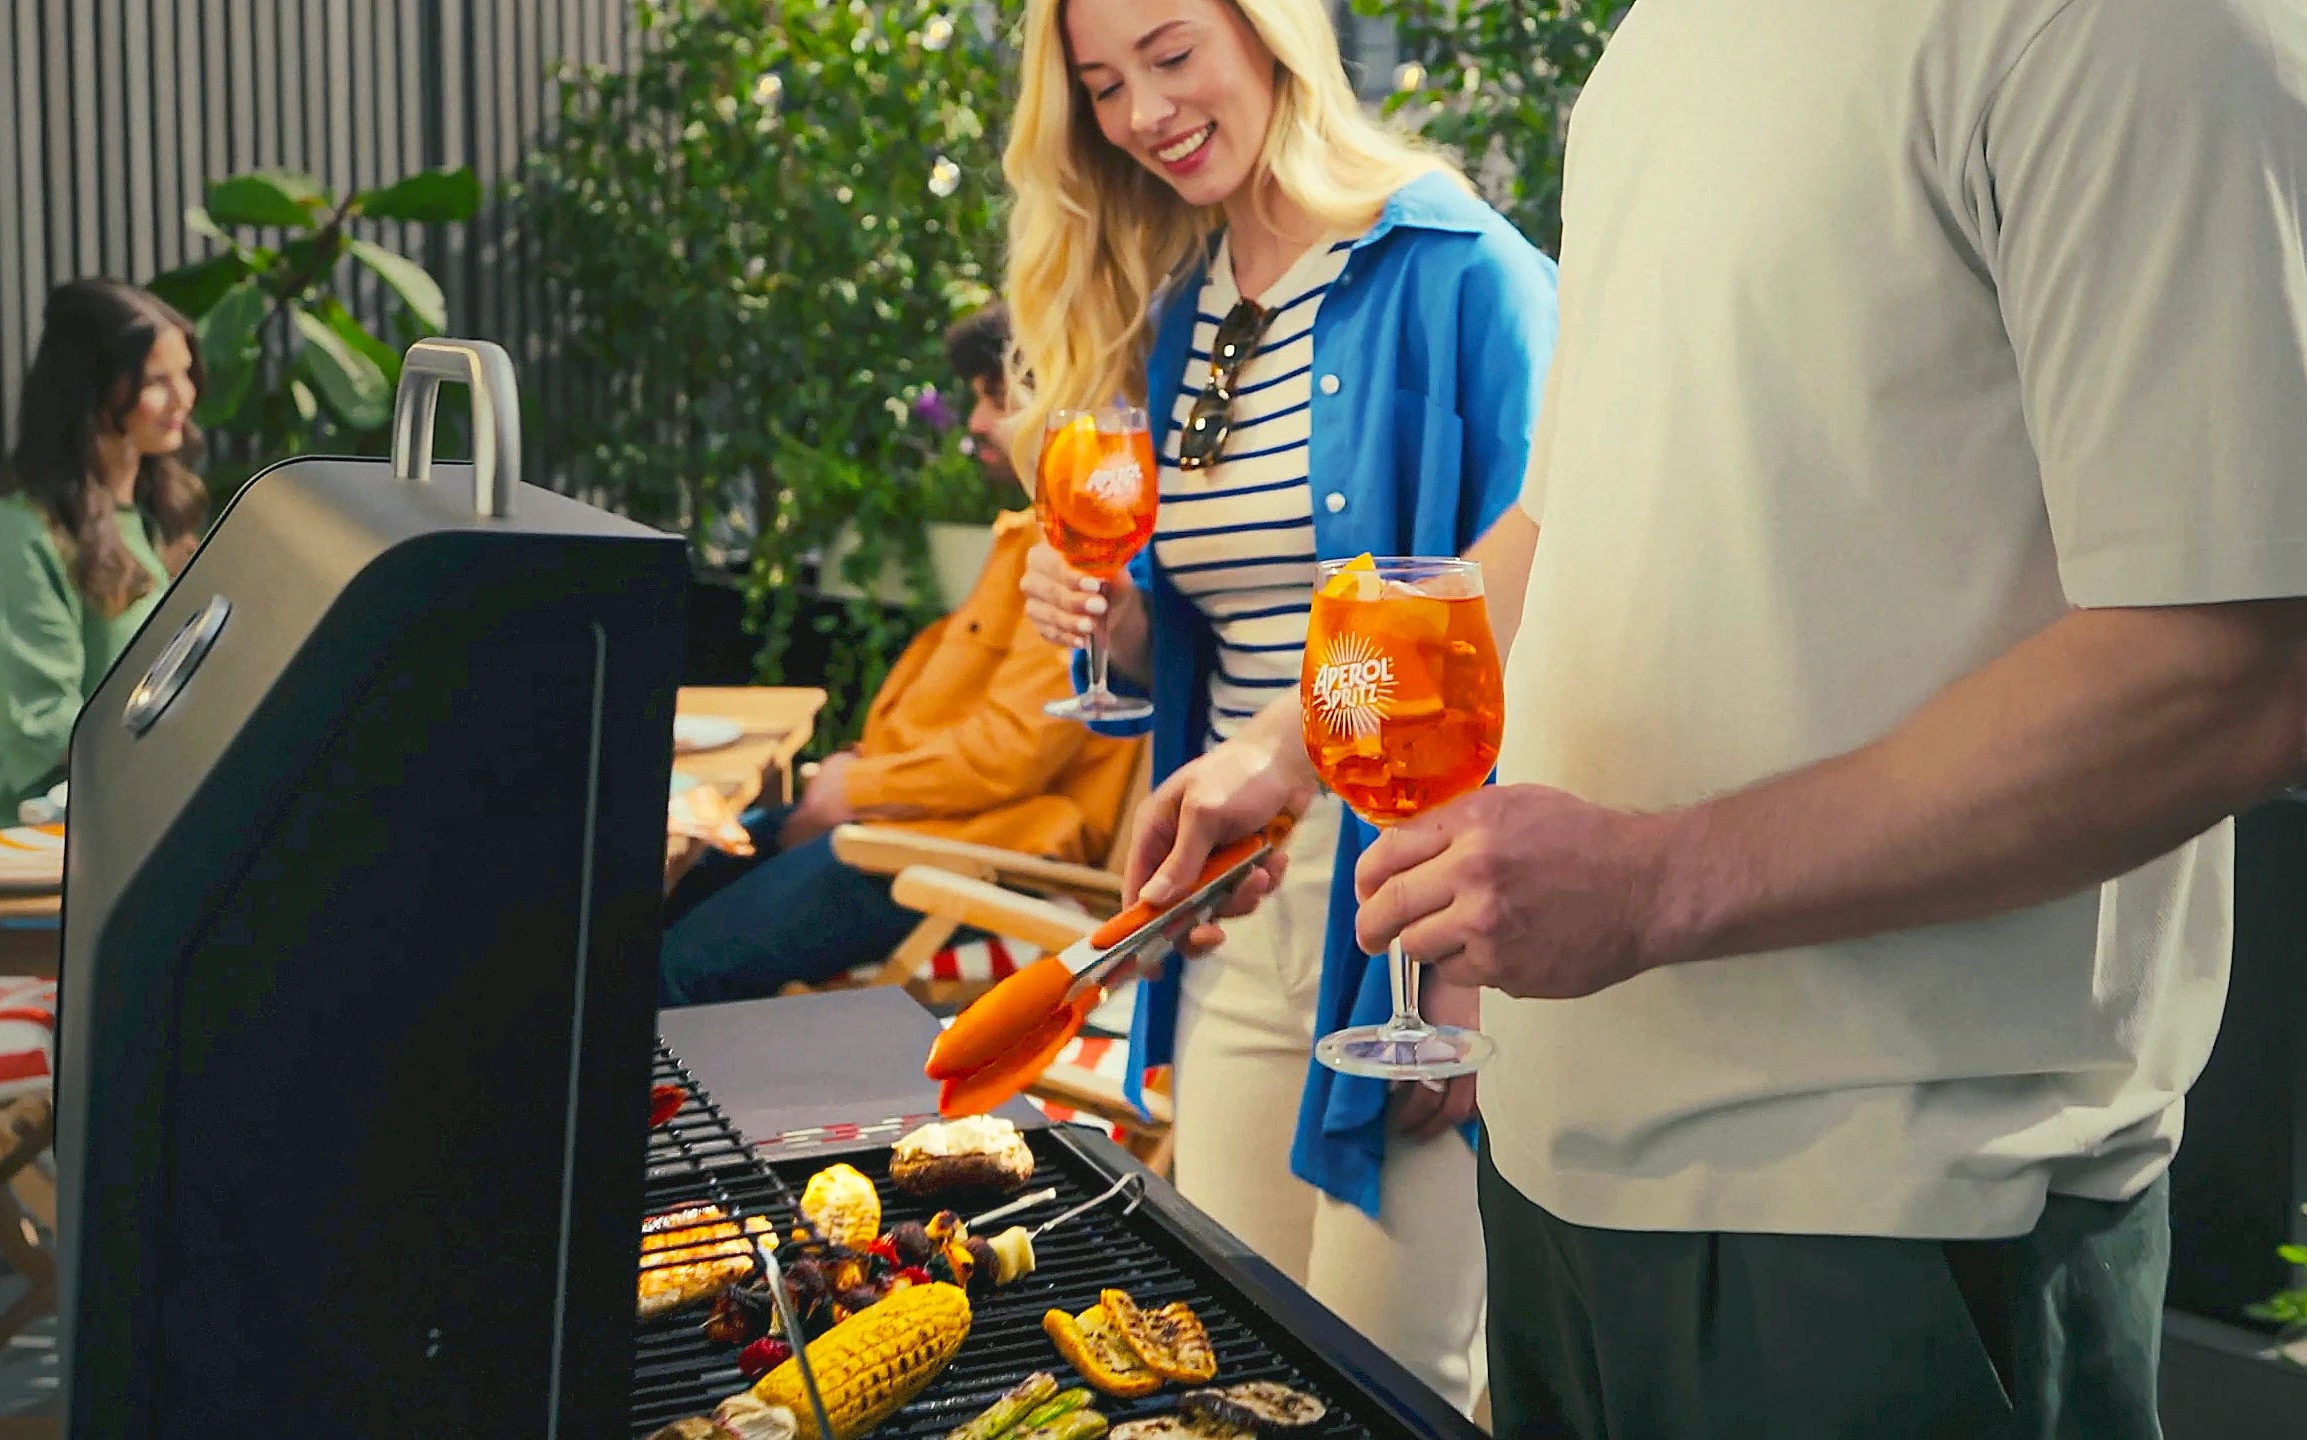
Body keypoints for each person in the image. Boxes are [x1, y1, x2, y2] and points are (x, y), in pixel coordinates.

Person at [1129, 0, 2307, 1434]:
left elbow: (2234, 669)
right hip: (1560, 1184)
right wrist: (1289, 750)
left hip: (1893, 1224)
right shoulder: (1657, 47)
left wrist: (1660, 885)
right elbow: (1563, 525)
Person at [1004, 0, 1555, 1411]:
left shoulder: (1455, 266)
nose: (1140, 113)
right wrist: (1112, 621)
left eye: (1172, 52)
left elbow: (1560, 600)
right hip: (1237, 905)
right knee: (1237, 1350)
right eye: (1103, 83)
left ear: (1271, 30)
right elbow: (1216, 638)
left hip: (1414, 902)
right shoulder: (1186, 305)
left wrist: (1472, 960)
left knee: (1394, 1375)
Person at [657, 304, 1144, 1007]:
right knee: (658, 900)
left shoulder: (1073, 556)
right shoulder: (1024, 541)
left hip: (955, 862)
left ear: (1060, 404)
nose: (976, 423)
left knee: (671, 968)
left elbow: (1007, 753)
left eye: (996, 400)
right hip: (903, 831)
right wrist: (857, 775)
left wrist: (850, 792)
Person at [0, 279, 208, 841]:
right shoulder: (15, 537)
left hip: (120, 824)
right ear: (92, 391)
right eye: (158, 380)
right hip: (15, 840)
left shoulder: (156, 519)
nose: (185, 396)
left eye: (185, 373)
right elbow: (42, 728)